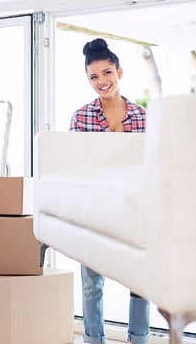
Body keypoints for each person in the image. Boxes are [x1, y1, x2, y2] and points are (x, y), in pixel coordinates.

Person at [70, 37, 150, 344]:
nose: (101, 81)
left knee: (140, 280)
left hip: (135, 208)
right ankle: (94, 340)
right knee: (92, 283)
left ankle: (139, 339)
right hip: (95, 209)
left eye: (107, 73)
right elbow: (75, 169)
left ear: (119, 72)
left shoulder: (143, 116)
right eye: (94, 76)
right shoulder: (81, 118)